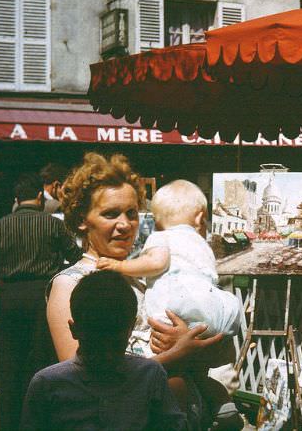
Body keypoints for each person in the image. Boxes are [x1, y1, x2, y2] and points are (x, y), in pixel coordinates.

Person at [47, 153, 231, 429]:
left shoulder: (146, 275)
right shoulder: (69, 284)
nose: (125, 224)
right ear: (82, 219)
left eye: (131, 213)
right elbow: (81, 376)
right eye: (110, 214)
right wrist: (177, 355)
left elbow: (208, 347)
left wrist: (190, 339)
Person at [0, 172, 83, 431]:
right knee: (42, 361)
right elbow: (76, 255)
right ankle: (41, 421)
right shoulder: (53, 224)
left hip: (9, 299)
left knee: (8, 367)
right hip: (42, 297)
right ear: (39, 196)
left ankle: (10, 423)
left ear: (17, 199)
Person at [20, 271, 187, 430]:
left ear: (74, 329)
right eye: (97, 342)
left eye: (114, 343)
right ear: (130, 328)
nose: (106, 354)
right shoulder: (149, 375)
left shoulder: (47, 383)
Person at [97, 179, 243, 347]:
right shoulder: (203, 244)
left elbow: (157, 262)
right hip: (213, 309)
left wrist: (119, 266)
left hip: (178, 306)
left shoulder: (161, 236)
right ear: (200, 218)